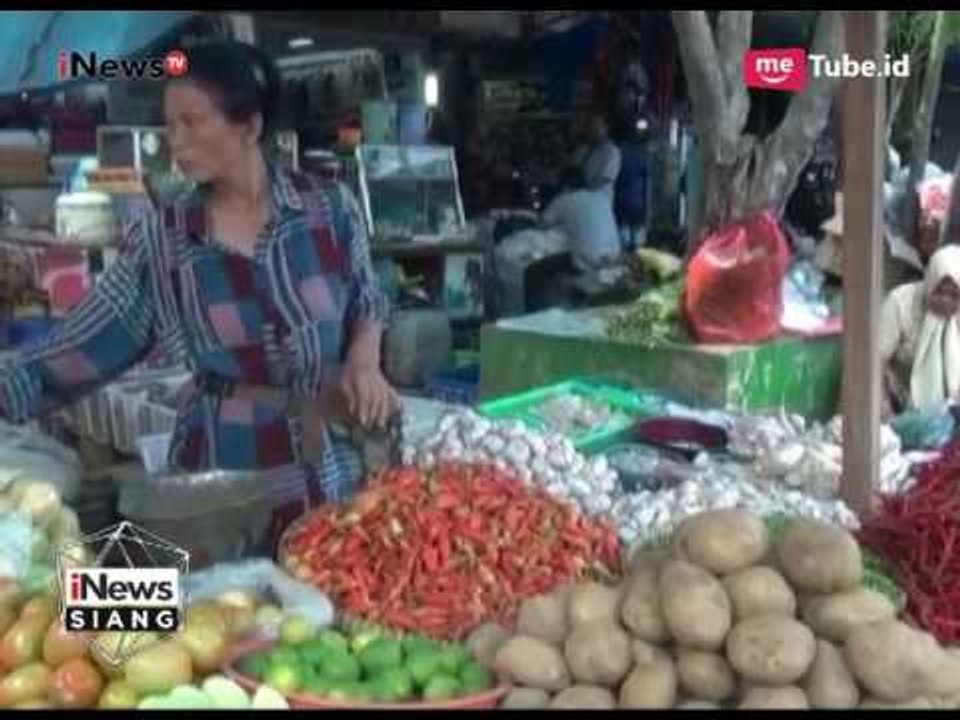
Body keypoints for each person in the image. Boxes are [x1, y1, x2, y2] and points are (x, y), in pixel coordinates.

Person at [0, 41, 398, 547]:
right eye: (170, 126)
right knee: (227, 613)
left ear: (249, 127)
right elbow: (73, 351)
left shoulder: (328, 208)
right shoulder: (165, 241)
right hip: (223, 481)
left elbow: (368, 296)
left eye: (192, 122)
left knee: (333, 596)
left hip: (333, 472)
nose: (176, 142)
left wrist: (365, 358)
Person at [880, 245, 960, 416]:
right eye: (939, 292)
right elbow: (874, 361)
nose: (945, 301)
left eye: (954, 295)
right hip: (898, 402)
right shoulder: (901, 303)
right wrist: (885, 411)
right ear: (930, 282)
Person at [542, 166, 622, 272]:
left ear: (564, 186)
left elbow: (543, 224)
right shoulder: (602, 197)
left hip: (587, 263)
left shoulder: (563, 199)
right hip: (615, 256)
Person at [573, 113, 622, 204]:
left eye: (596, 125)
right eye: (590, 126)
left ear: (605, 128)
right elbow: (571, 173)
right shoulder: (581, 150)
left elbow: (604, 179)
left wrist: (581, 192)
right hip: (578, 203)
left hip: (599, 203)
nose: (593, 129)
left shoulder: (612, 152)